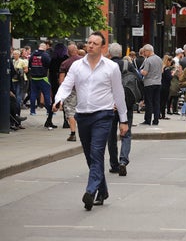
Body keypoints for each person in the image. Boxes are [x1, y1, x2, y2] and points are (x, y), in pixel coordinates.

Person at [53, 31, 128, 211]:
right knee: (89, 156)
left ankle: (90, 190)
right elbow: (66, 85)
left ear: (102, 47)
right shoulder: (77, 66)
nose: (91, 45)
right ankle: (102, 190)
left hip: (103, 115)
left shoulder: (111, 67)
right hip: (83, 116)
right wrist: (58, 99)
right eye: (89, 42)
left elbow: (118, 93)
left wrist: (123, 120)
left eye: (95, 43)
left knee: (96, 153)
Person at [107, 42, 140, 176]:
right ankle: (123, 160)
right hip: (126, 105)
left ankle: (114, 164)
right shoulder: (127, 64)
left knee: (111, 135)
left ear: (110, 53)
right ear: (120, 54)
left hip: (110, 105)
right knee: (126, 133)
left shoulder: (107, 65)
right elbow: (138, 79)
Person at [58, 43, 83, 142]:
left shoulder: (65, 63)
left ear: (68, 52)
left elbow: (61, 80)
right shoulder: (84, 61)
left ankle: (73, 133)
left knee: (70, 111)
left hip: (71, 90)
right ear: (76, 50)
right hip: (84, 89)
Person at [28, 42, 55, 128]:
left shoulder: (32, 55)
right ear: (44, 48)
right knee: (46, 94)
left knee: (33, 94)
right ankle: (48, 110)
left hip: (34, 78)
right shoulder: (45, 55)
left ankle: (32, 111)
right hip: (43, 77)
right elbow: (49, 65)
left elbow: (29, 65)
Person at [139, 44, 162, 125]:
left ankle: (148, 120)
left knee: (149, 102)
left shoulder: (148, 60)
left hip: (149, 83)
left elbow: (145, 72)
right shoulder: (159, 59)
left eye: (145, 51)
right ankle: (156, 119)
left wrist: (141, 71)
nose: (144, 53)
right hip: (158, 82)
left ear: (148, 51)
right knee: (156, 102)